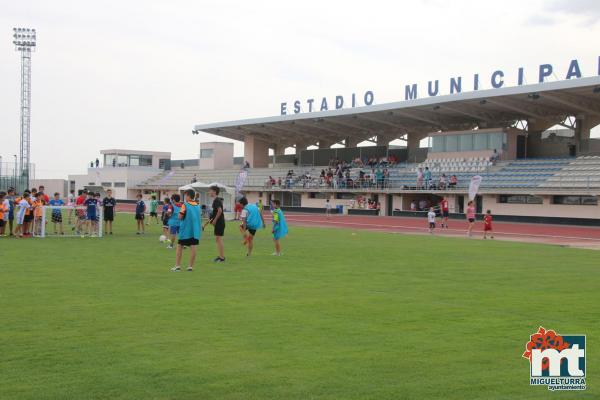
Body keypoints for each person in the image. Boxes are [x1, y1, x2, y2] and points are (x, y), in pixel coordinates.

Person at [171, 189, 201, 272]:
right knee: (193, 247)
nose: (184, 197)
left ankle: (177, 266)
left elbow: (180, 217)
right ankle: (190, 267)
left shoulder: (185, 205)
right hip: (195, 230)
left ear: (188, 196)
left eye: (185, 195)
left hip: (185, 230)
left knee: (179, 246)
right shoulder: (198, 206)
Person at [203, 185, 226, 262]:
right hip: (219, 222)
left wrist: (215, 220)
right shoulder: (216, 200)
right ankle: (220, 256)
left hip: (219, 222)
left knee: (219, 239)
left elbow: (220, 211)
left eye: (210, 191)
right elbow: (215, 213)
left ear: (214, 192)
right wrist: (207, 223)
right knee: (217, 239)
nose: (209, 192)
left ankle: (222, 258)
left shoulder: (217, 200)